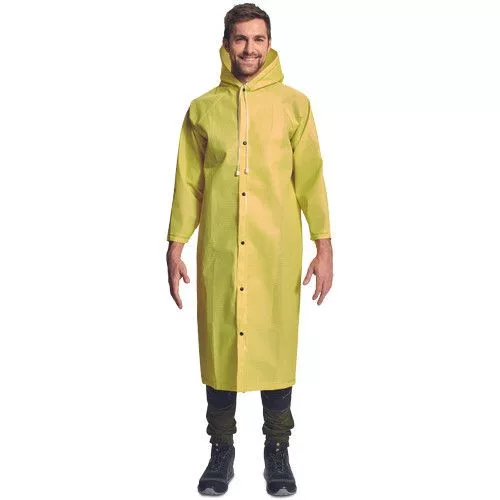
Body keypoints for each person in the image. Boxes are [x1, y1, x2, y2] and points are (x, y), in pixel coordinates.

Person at [166, 3, 333, 496]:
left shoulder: (294, 106)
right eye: (241, 39)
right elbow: (188, 183)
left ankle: (277, 451)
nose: (250, 49)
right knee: (220, 349)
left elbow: (311, 179)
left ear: (270, 43)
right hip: (221, 252)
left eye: (259, 39)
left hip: (274, 253)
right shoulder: (202, 109)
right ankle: (221, 451)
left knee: (276, 347)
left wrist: (323, 246)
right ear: (226, 44)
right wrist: (176, 245)